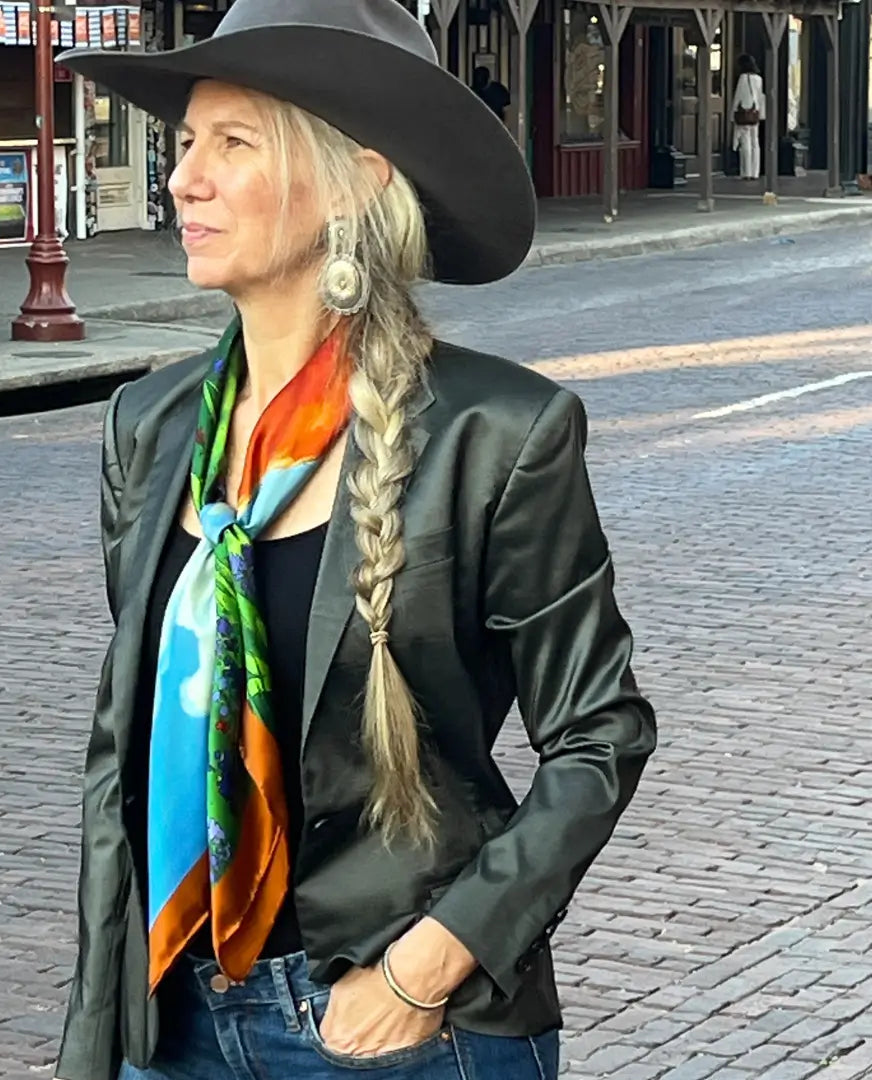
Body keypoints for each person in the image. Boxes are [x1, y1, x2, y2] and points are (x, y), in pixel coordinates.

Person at [56, 2, 656, 1079]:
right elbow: (124, 751)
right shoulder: (148, 428)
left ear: (354, 181)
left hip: (391, 1030)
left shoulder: (498, 435)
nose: (185, 178)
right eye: (185, 142)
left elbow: (598, 736)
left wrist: (423, 971)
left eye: (232, 144)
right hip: (175, 1017)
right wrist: (104, 1025)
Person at [732, 54, 766, 180]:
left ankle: (746, 171)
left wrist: (733, 113)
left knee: (745, 142)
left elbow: (738, 97)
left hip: (744, 113)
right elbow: (760, 96)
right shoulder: (759, 78)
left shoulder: (743, 78)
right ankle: (755, 171)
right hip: (755, 113)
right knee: (755, 142)